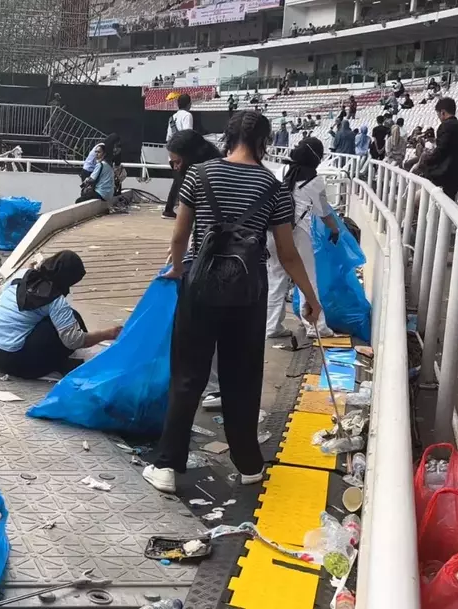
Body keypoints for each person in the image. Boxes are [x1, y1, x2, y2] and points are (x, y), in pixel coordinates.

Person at [141, 111, 321, 493]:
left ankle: (167, 466)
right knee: (242, 378)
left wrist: (178, 270)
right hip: (248, 294)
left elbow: (179, 236)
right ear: (263, 142)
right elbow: (287, 254)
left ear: (229, 137)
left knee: (188, 376)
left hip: (201, 287)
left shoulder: (199, 175)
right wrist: (310, 296)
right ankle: (249, 465)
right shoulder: (274, 188)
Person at [0, 251, 121, 379]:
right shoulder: (55, 300)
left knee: (66, 318)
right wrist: (107, 334)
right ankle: (48, 365)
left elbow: (0, 296)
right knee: (67, 324)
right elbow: (73, 341)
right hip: (12, 357)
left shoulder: (22, 275)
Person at [265, 137, 337, 339]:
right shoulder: (314, 181)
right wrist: (335, 230)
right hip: (298, 235)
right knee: (306, 279)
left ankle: (272, 326)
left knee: (276, 278)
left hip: (273, 232)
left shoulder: (281, 172)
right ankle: (316, 327)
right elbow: (324, 212)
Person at [162, 130, 223, 220]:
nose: (175, 167)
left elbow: (181, 231)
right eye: (172, 163)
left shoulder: (197, 178)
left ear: (191, 157)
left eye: (178, 162)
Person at [418, 98, 458, 200]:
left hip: (444, 176)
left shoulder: (445, 127)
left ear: (442, 112)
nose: (439, 118)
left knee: (416, 201)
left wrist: (427, 161)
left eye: (438, 115)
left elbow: (441, 152)